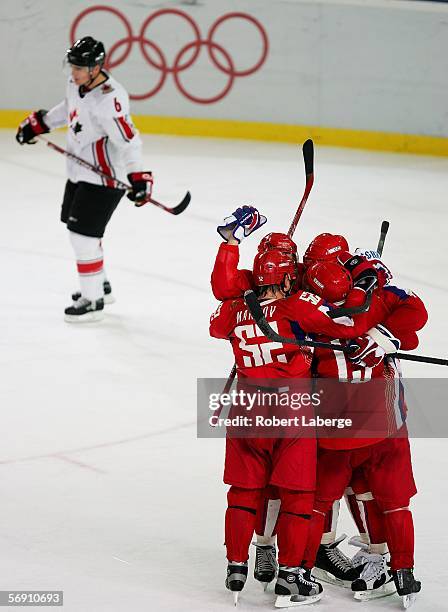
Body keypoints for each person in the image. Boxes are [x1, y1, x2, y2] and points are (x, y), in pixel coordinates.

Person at [209, 209, 379, 607]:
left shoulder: (234, 308)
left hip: (248, 410)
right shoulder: (297, 307)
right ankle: (290, 576)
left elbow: (218, 315)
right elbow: (344, 325)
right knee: (298, 498)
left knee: (242, 493)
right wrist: (364, 287)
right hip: (293, 412)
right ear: (288, 275)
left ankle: (237, 566)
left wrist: (232, 247)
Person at [15, 36, 153, 322]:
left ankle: (93, 300)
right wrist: (40, 124)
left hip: (104, 178)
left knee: (82, 236)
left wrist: (138, 176)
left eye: (80, 67)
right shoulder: (76, 85)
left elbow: (129, 142)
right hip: (79, 172)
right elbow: (68, 110)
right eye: (73, 66)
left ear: (96, 67)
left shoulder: (110, 99)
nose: (74, 72)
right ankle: (101, 285)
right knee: (79, 228)